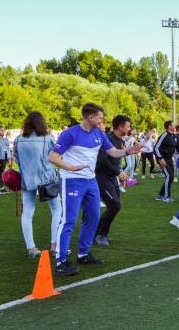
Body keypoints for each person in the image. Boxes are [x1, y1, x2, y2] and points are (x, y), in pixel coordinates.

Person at [48, 103, 142, 276]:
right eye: (100, 117)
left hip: (91, 181)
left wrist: (129, 151)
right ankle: (61, 261)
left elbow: (113, 152)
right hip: (72, 181)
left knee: (93, 216)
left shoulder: (99, 134)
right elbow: (52, 157)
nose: (102, 121)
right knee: (69, 219)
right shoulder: (70, 134)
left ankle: (83, 254)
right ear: (90, 118)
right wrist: (70, 167)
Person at [14, 112, 63, 258]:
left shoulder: (18, 139)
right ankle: (55, 245)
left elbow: (17, 159)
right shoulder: (47, 139)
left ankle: (31, 248)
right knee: (57, 211)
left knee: (27, 213)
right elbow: (55, 157)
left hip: (27, 180)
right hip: (47, 179)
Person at [94, 115, 132, 247]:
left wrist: (119, 175)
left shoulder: (120, 140)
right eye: (128, 126)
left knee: (114, 207)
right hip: (102, 178)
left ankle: (98, 233)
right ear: (120, 127)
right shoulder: (108, 139)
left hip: (112, 178)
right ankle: (100, 235)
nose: (129, 128)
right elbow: (102, 161)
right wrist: (118, 173)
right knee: (115, 205)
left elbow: (116, 160)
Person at [154, 121, 179, 202]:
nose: (175, 125)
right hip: (162, 159)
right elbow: (156, 148)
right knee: (170, 176)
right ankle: (166, 196)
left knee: (170, 177)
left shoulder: (175, 136)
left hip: (170, 159)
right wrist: (160, 158)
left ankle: (160, 195)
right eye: (173, 125)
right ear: (169, 127)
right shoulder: (164, 135)